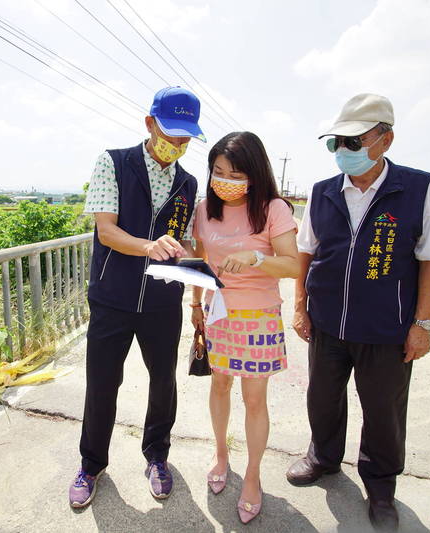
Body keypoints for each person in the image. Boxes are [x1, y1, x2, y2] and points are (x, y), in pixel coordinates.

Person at [285, 94, 430, 531]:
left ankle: (380, 486)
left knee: (383, 410)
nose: (344, 151)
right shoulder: (322, 193)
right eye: (336, 142)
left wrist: (421, 325)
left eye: (354, 141)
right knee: (322, 396)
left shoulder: (416, 188)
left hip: (386, 327)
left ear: (385, 139)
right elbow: (306, 252)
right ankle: (323, 456)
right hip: (327, 322)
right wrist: (300, 306)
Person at [69, 87, 206, 508]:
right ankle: (91, 464)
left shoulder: (188, 181)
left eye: (186, 138)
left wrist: (198, 253)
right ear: (150, 124)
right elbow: (106, 231)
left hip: (163, 302)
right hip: (112, 297)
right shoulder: (113, 162)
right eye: (171, 133)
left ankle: (157, 457)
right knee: (103, 383)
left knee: (163, 382)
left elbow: (182, 238)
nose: (178, 145)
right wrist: (149, 246)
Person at [190, 131, 301, 524]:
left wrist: (256, 257)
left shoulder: (273, 209)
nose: (225, 180)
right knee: (219, 384)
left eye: (235, 173)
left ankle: (252, 476)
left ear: (253, 174)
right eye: (218, 171)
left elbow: (293, 265)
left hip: (258, 317)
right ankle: (221, 454)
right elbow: (200, 260)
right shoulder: (204, 209)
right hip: (217, 313)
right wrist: (194, 304)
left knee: (255, 399)